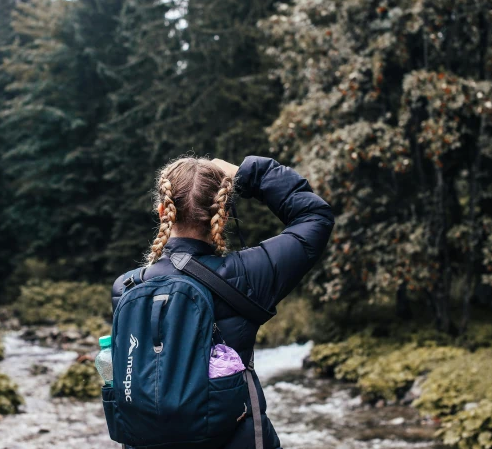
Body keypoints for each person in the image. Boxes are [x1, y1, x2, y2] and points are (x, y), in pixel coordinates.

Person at [111, 155, 335, 448]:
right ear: (224, 215)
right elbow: (315, 216)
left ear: (163, 210)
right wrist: (251, 173)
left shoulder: (127, 287)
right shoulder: (248, 275)